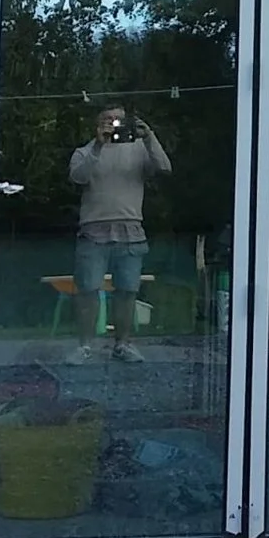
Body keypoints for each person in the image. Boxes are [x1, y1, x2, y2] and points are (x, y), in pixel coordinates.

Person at [68, 107, 171, 363]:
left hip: (131, 229)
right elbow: (78, 177)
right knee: (88, 290)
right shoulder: (84, 151)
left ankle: (122, 345)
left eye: (119, 121)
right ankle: (84, 347)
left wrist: (149, 136)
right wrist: (98, 146)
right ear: (97, 123)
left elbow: (165, 167)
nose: (113, 125)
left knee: (127, 290)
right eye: (107, 120)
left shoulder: (138, 150)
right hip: (93, 231)